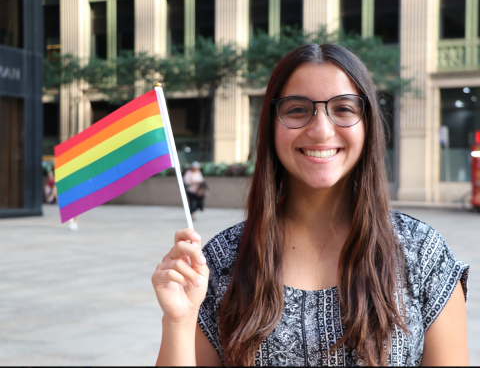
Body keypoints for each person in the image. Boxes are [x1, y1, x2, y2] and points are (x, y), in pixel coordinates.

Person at [151, 44, 469, 366]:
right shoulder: (221, 264)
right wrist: (178, 319)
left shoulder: (423, 254)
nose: (320, 130)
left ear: (368, 124)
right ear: (272, 126)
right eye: (298, 110)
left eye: (343, 109)